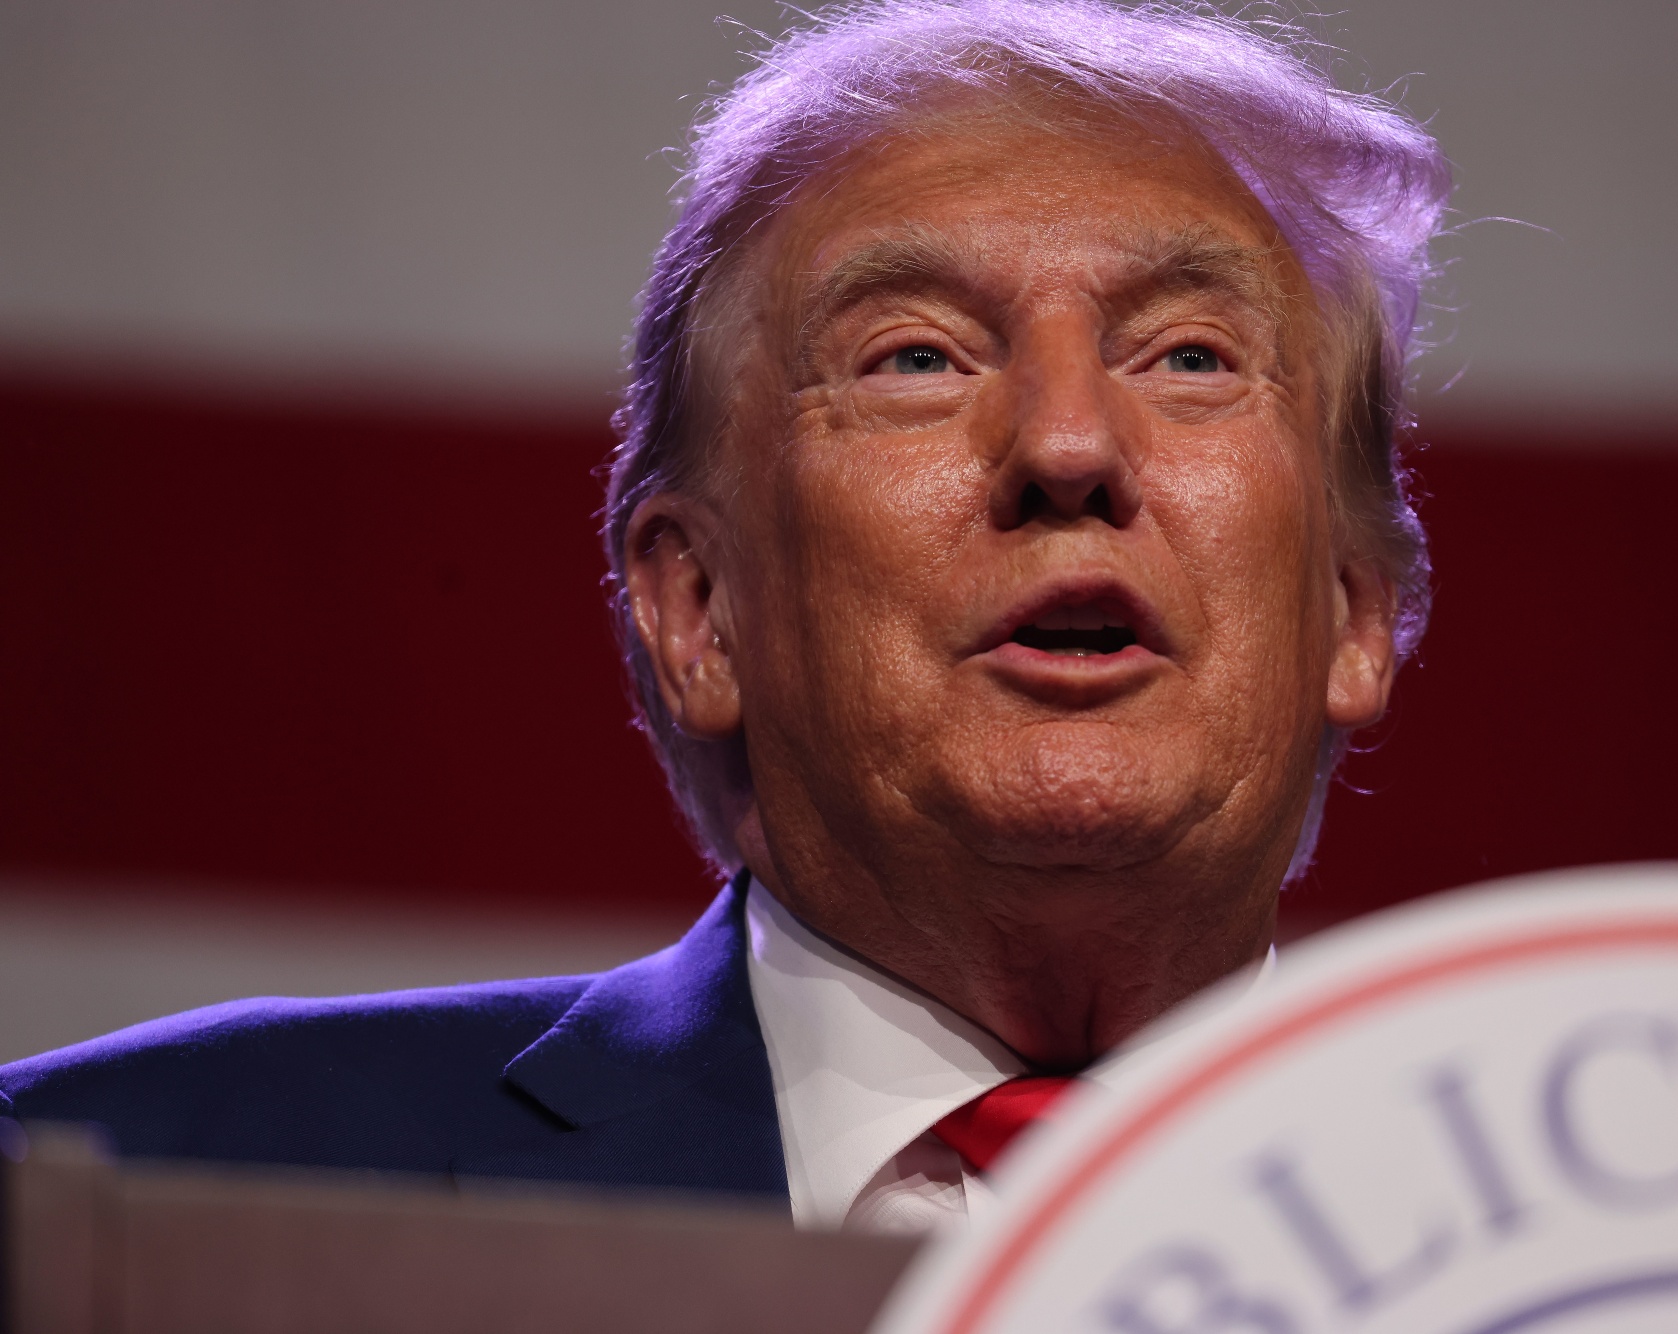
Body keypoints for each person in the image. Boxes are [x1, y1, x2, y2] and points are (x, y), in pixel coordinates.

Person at [0, 0, 1447, 1232]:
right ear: (700, 611)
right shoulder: (139, 1198)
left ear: (1353, 612)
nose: (1068, 445)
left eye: (1191, 353)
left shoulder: (1629, 1242)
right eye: (914, 358)